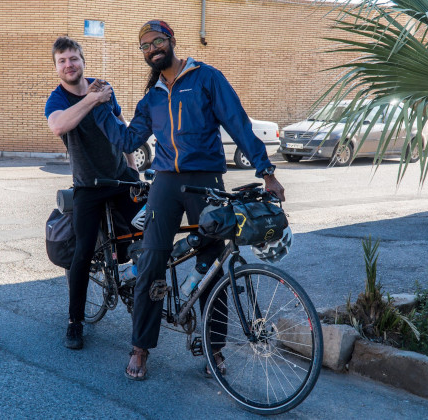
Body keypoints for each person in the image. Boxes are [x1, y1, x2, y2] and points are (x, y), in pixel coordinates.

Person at [89, 20, 285, 380]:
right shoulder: (151, 99)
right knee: (151, 261)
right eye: (145, 45)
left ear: (171, 41)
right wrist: (101, 106)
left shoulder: (206, 78)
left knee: (214, 264)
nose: (152, 48)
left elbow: (239, 124)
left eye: (157, 41)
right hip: (164, 182)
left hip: (205, 180)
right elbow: (129, 140)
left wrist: (267, 172)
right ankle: (140, 348)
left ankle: (215, 350)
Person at [45, 36, 140, 350]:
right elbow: (59, 126)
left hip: (120, 179)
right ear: (57, 67)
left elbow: (121, 125)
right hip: (88, 186)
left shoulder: (104, 88)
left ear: (83, 61)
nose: (69, 65)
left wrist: (133, 167)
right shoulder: (57, 99)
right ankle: (74, 321)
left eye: (74, 58)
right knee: (82, 253)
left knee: (146, 230)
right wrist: (91, 98)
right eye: (63, 61)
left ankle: (140, 289)